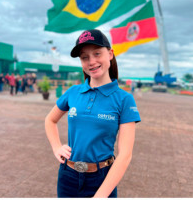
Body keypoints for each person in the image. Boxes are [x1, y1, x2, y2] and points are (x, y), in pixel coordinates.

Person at [45, 29, 140, 198]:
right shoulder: (73, 92)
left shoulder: (124, 100)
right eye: (85, 57)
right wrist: (56, 147)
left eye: (97, 53)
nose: (92, 61)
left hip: (102, 179)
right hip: (68, 176)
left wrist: (100, 195)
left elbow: (125, 155)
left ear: (110, 54)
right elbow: (50, 120)